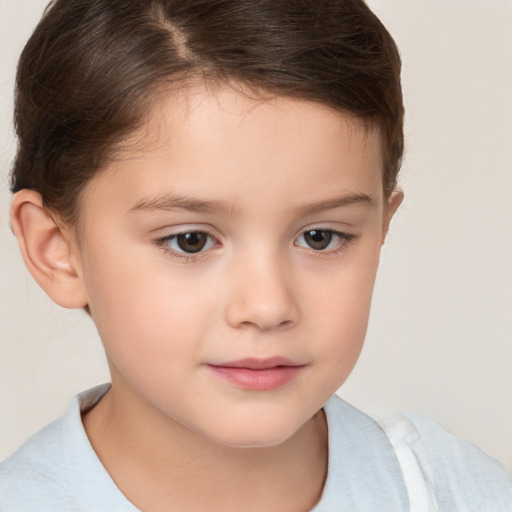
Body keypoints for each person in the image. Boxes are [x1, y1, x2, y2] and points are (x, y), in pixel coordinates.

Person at [0, 0, 510, 510]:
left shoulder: (454, 493)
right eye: (190, 240)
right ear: (57, 250)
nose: (268, 307)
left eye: (320, 237)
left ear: (380, 231)